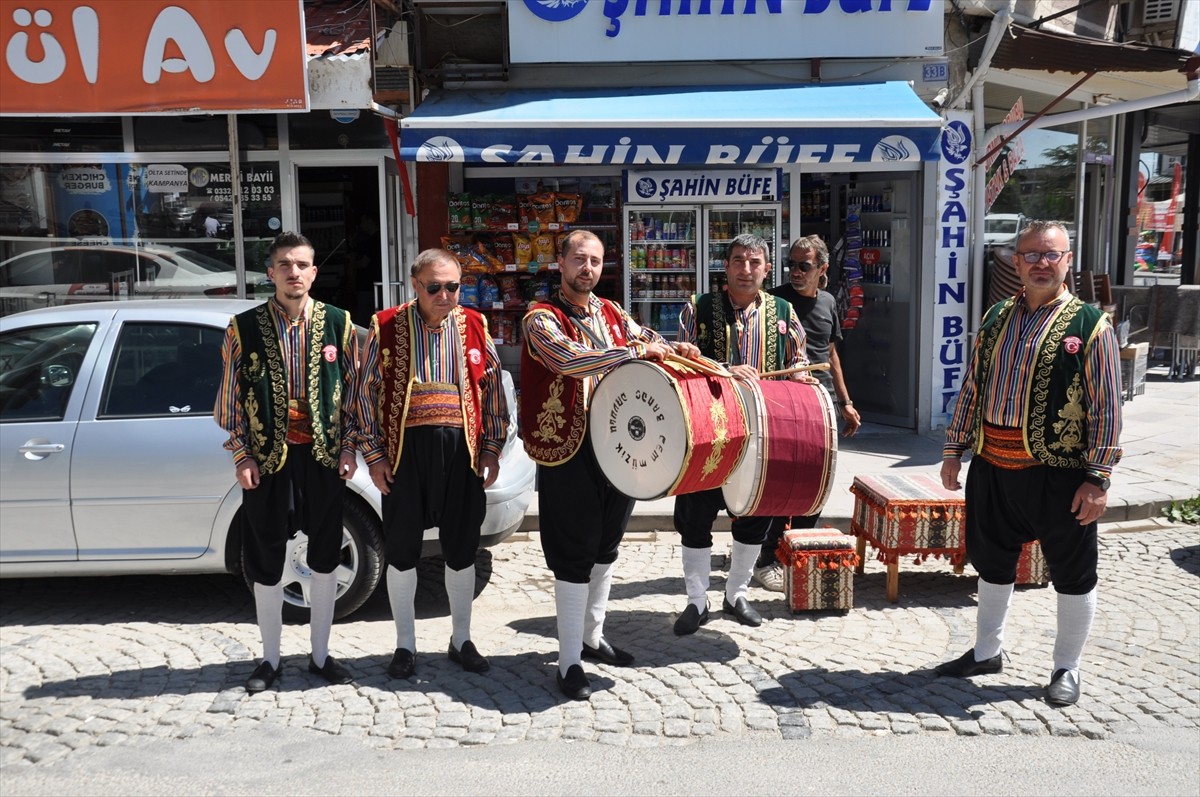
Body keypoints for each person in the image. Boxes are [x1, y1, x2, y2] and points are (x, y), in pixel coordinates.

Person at [936, 220, 1123, 707]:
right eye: (1032, 254)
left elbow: (1106, 406)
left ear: (1067, 261)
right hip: (993, 466)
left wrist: (1097, 478)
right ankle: (985, 650)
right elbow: (973, 386)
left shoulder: (1090, 326)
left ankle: (1067, 667)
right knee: (992, 561)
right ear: (1015, 262)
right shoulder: (997, 316)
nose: (1042, 263)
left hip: (1058, 472)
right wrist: (954, 449)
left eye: (1052, 254)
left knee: (1073, 570)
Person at [521, 229, 700, 701]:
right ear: (560, 263)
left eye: (596, 261)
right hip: (568, 449)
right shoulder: (540, 318)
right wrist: (636, 352)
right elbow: (569, 360)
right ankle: (567, 663)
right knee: (573, 552)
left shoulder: (611, 312)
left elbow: (650, 339)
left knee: (606, 545)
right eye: (580, 259)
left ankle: (591, 636)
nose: (589, 269)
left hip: (615, 446)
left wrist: (682, 351)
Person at [215, 231, 362, 693]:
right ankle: (270, 659)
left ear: (313, 272)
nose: (293, 272)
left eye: (301, 264)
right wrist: (241, 455)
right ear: (270, 272)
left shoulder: (340, 323)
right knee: (266, 557)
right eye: (284, 264)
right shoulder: (244, 327)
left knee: (323, 555)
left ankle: (320, 655)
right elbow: (229, 401)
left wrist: (348, 448)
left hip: (322, 457)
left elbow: (357, 394)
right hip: (266, 459)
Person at [359, 248, 507, 680]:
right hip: (405, 457)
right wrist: (374, 456)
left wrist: (491, 449)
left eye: (453, 287)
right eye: (435, 287)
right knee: (402, 550)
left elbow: (495, 389)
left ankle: (461, 638)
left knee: (462, 548)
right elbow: (365, 394)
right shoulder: (385, 326)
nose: (445, 295)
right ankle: (405, 644)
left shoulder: (475, 325)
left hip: (462, 456)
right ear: (415, 285)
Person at [671, 232, 810, 636]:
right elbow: (678, 362)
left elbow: (797, 363)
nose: (745, 270)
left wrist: (799, 376)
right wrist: (724, 370)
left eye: (754, 262)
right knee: (695, 518)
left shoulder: (784, 311)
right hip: (708, 434)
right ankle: (697, 601)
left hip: (763, 436)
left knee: (754, 518)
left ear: (767, 269)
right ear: (726, 267)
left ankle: (736, 594)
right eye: (737, 261)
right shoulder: (698, 307)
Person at [753, 234, 862, 592]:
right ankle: (764, 558)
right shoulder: (774, 302)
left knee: (818, 482)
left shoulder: (829, 301)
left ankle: (796, 552)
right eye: (792, 265)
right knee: (780, 482)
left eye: (805, 266)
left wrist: (845, 402)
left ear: (822, 269)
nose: (796, 272)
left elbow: (830, 355)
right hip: (784, 403)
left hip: (822, 403)